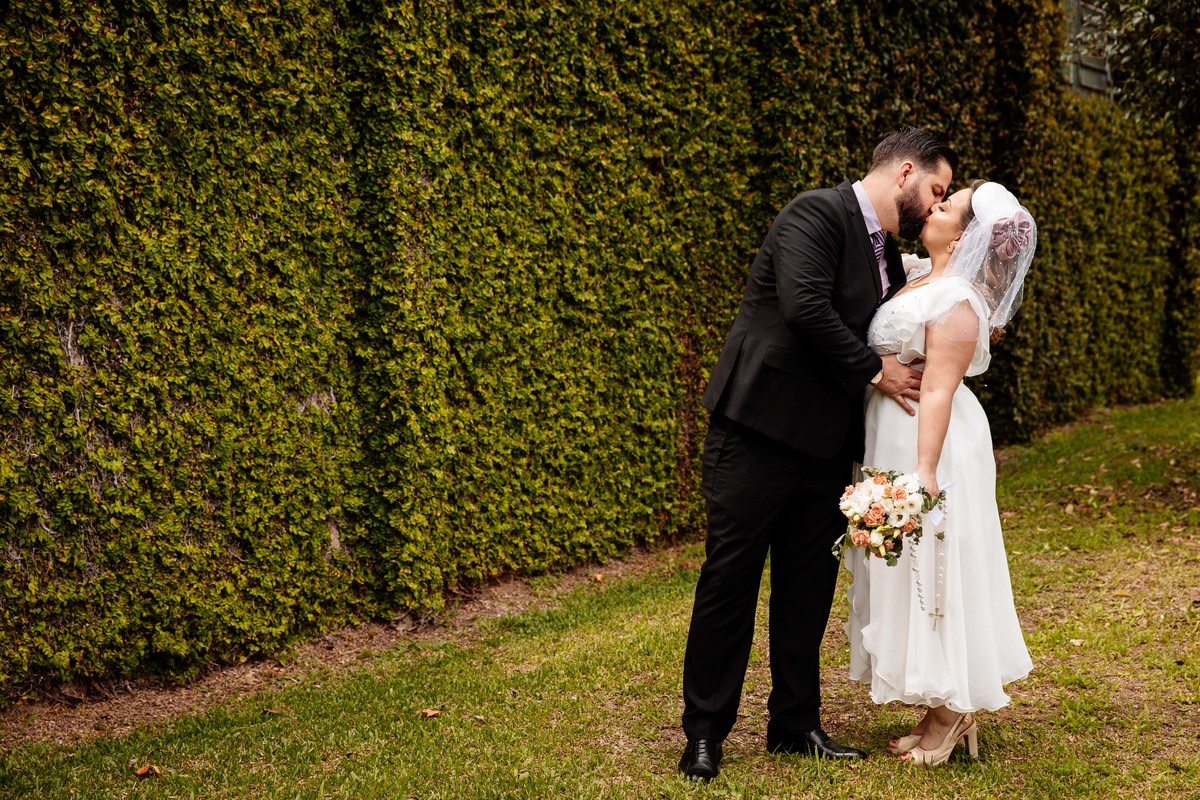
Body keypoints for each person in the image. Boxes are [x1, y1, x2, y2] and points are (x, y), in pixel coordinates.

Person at [678, 127, 957, 781]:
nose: (935, 204)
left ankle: (795, 724)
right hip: (757, 432)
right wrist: (876, 370)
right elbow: (804, 306)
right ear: (905, 172)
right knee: (730, 582)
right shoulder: (816, 212)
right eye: (936, 189)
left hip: (827, 445)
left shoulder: (887, 253)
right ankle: (704, 733)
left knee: (807, 591)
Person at [844, 180, 1036, 767]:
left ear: (964, 235)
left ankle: (953, 713)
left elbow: (937, 390)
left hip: (933, 442)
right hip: (892, 433)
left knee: (936, 562)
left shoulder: (957, 300)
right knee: (907, 566)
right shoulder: (920, 275)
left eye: (948, 205)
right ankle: (937, 706)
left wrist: (925, 470)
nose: (934, 205)